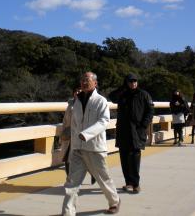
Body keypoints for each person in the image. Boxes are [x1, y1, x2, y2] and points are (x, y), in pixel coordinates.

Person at [61, 72, 120, 216]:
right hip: (77, 148)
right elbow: (72, 123)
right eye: (82, 80)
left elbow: (104, 121)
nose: (84, 82)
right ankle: (68, 212)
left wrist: (86, 134)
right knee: (71, 183)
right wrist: (69, 137)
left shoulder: (100, 101)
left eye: (87, 80)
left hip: (94, 147)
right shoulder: (76, 101)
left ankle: (114, 201)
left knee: (103, 179)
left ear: (95, 83)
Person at [109, 73, 154, 194]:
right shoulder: (122, 94)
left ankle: (135, 184)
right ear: (126, 82)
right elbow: (112, 97)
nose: (133, 83)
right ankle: (128, 182)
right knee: (124, 158)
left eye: (135, 81)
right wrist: (122, 88)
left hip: (137, 131)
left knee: (134, 157)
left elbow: (150, 110)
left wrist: (144, 124)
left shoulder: (143, 94)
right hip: (123, 130)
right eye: (130, 81)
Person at [60, 88, 95, 184]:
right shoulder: (70, 104)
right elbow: (65, 120)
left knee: (86, 159)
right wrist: (62, 133)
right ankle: (69, 179)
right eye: (76, 91)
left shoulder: (87, 103)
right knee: (67, 158)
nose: (78, 93)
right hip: (70, 135)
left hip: (81, 136)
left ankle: (93, 174)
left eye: (80, 91)